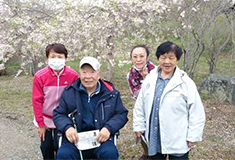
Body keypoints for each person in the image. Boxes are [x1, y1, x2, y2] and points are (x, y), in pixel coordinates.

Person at [133, 41, 206, 160]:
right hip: (154, 133)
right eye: (163, 57)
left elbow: (196, 111)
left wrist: (193, 135)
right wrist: (138, 125)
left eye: (171, 58)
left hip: (177, 135)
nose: (167, 62)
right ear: (158, 58)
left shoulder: (185, 82)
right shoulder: (150, 78)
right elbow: (140, 104)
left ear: (177, 59)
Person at [53, 56, 128, 160]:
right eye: (84, 72)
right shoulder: (69, 92)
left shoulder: (111, 93)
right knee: (63, 154)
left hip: (101, 139)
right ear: (79, 74)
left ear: (99, 74)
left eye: (92, 72)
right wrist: (67, 128)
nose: (88, 77)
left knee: (110, 153)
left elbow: (121, 114)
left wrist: (108, 128)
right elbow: (59, 114)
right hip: (76, 140)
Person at [32, 43, 78, 159]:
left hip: (62, 117)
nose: (56, 59)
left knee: (60, 146)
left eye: (60, 56)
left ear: (65, 58)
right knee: (46, 146)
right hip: (45, 117)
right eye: (53, 56)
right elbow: (37, 101)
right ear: (47, 58)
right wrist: (41, 124)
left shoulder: (72, 75)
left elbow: (75, 98)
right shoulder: (40, 76)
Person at [127, 45, 155, 160]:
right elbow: (137, 95)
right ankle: (147, 152)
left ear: (147, 57)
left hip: (158, 106)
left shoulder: (156, 70)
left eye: (141, 56)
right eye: (135, 56)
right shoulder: (131, 74)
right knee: (142, 130)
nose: (138, 59)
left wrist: (148, 79)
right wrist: (146, 82)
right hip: (141, 106)